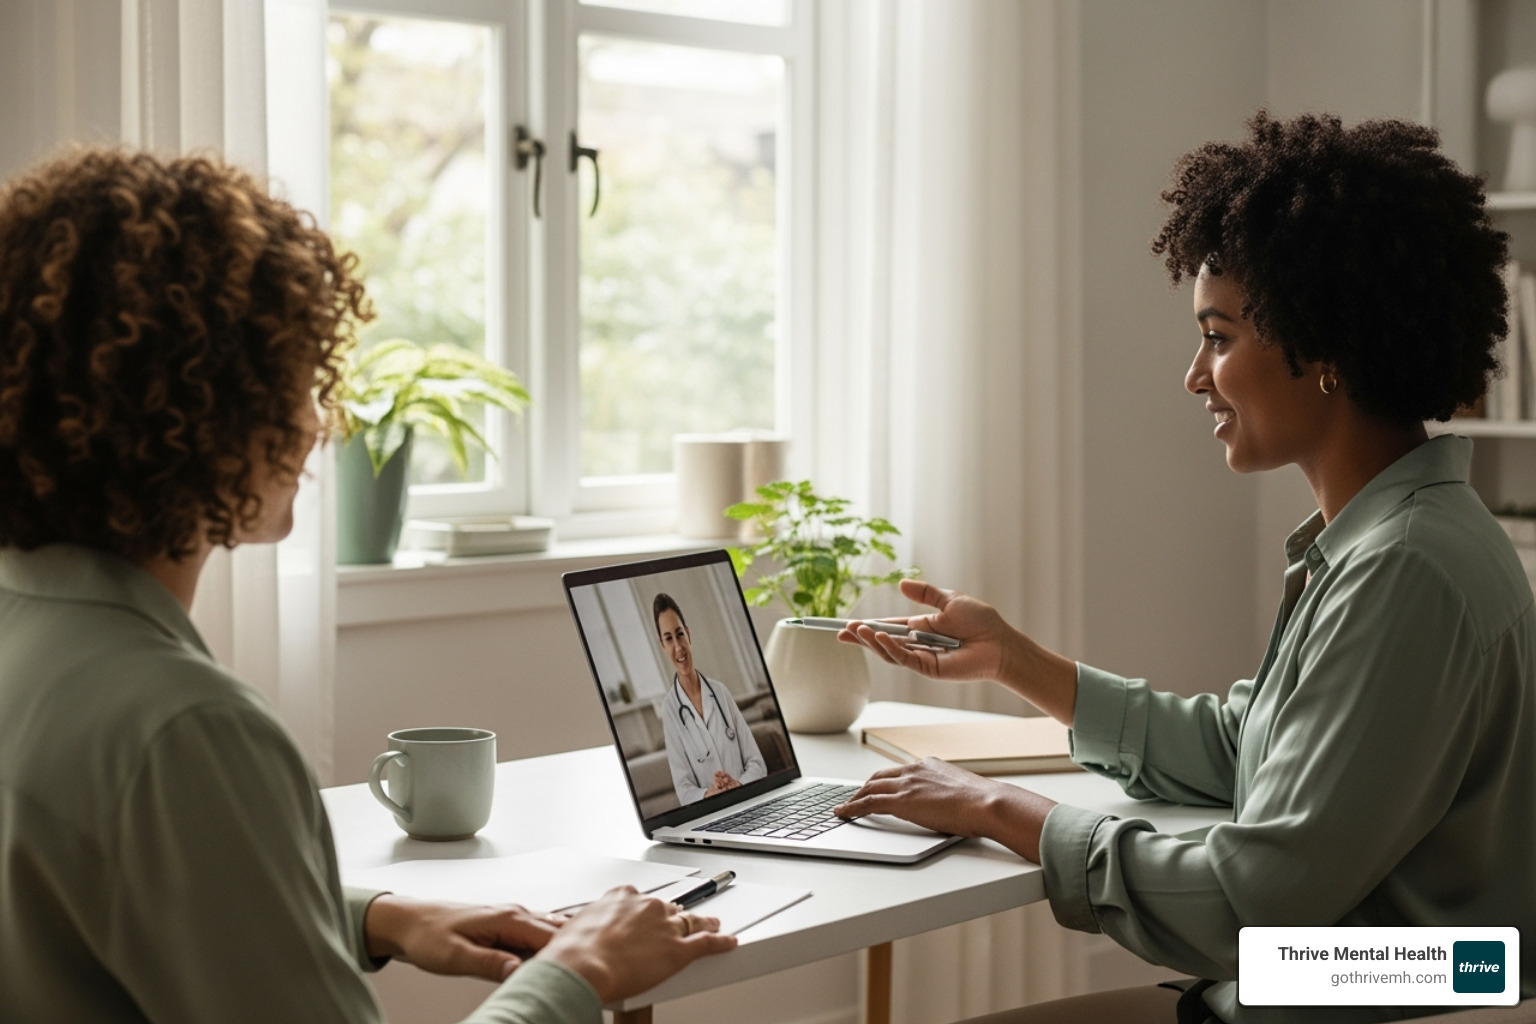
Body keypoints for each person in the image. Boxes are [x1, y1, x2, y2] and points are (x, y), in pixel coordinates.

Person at [0, 147, 735, 1024]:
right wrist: (579, 973)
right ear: (203, 410)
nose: (320, 421)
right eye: (297, 380)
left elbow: (106, 894)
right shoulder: (187, 730)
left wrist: (374, 916)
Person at [833, 112, 1536, 1024]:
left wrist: (996, 809)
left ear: (1323, 349)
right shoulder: (1394, 538)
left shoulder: (1404, 570)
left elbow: (1254, 904)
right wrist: (1017, 662)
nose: (1196, 375)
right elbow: (1249, 749)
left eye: (1220, 336)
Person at [653, 592, 767, 804]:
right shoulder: (670, 709)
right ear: (662, 646)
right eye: (668, 639)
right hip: (712, 815)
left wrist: (738, 785)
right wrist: (710, 794)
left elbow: (757, 763)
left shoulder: (720, 692)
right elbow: (684, 790)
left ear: (688, 635)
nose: (678, 647)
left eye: (679, 634)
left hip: (748, 804)